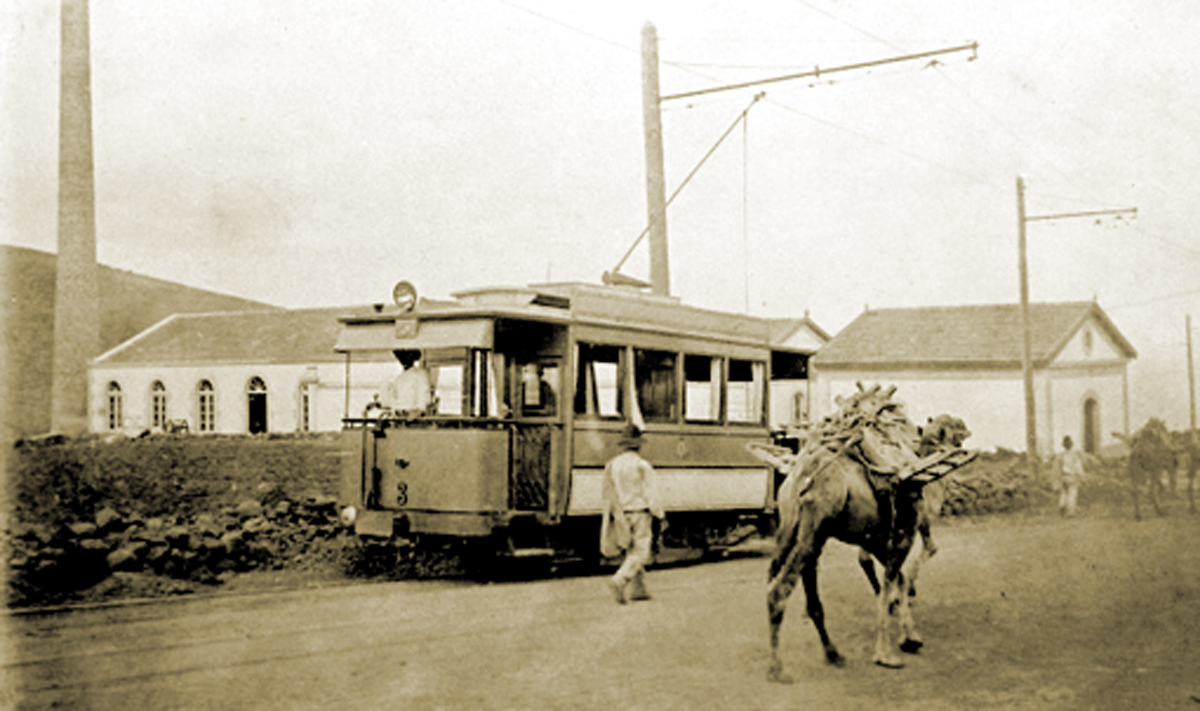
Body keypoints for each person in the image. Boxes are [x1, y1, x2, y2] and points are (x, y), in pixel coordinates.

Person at [600, 424, 665, 604]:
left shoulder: (613, 464)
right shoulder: (642, 465)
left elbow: (608, 490)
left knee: (631, 551)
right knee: (641, 552)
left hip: (621, 512)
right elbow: (651, 493)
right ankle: (618, 581)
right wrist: (659, 514)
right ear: (639, 445)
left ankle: (639, 589)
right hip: (640, 512)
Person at [1055, 435, 1087, 516]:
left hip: (1063, 476)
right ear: (1071, 445)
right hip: (1072, 476)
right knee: (1072, 493)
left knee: (1064, 493)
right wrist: (1082, 476)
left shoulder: (1061, 455)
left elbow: (1058, 467)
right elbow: (1078, 467)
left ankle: (1062, 505)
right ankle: (1071, 511)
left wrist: (1058, 478)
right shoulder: (1075, 456)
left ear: (1063, 446)